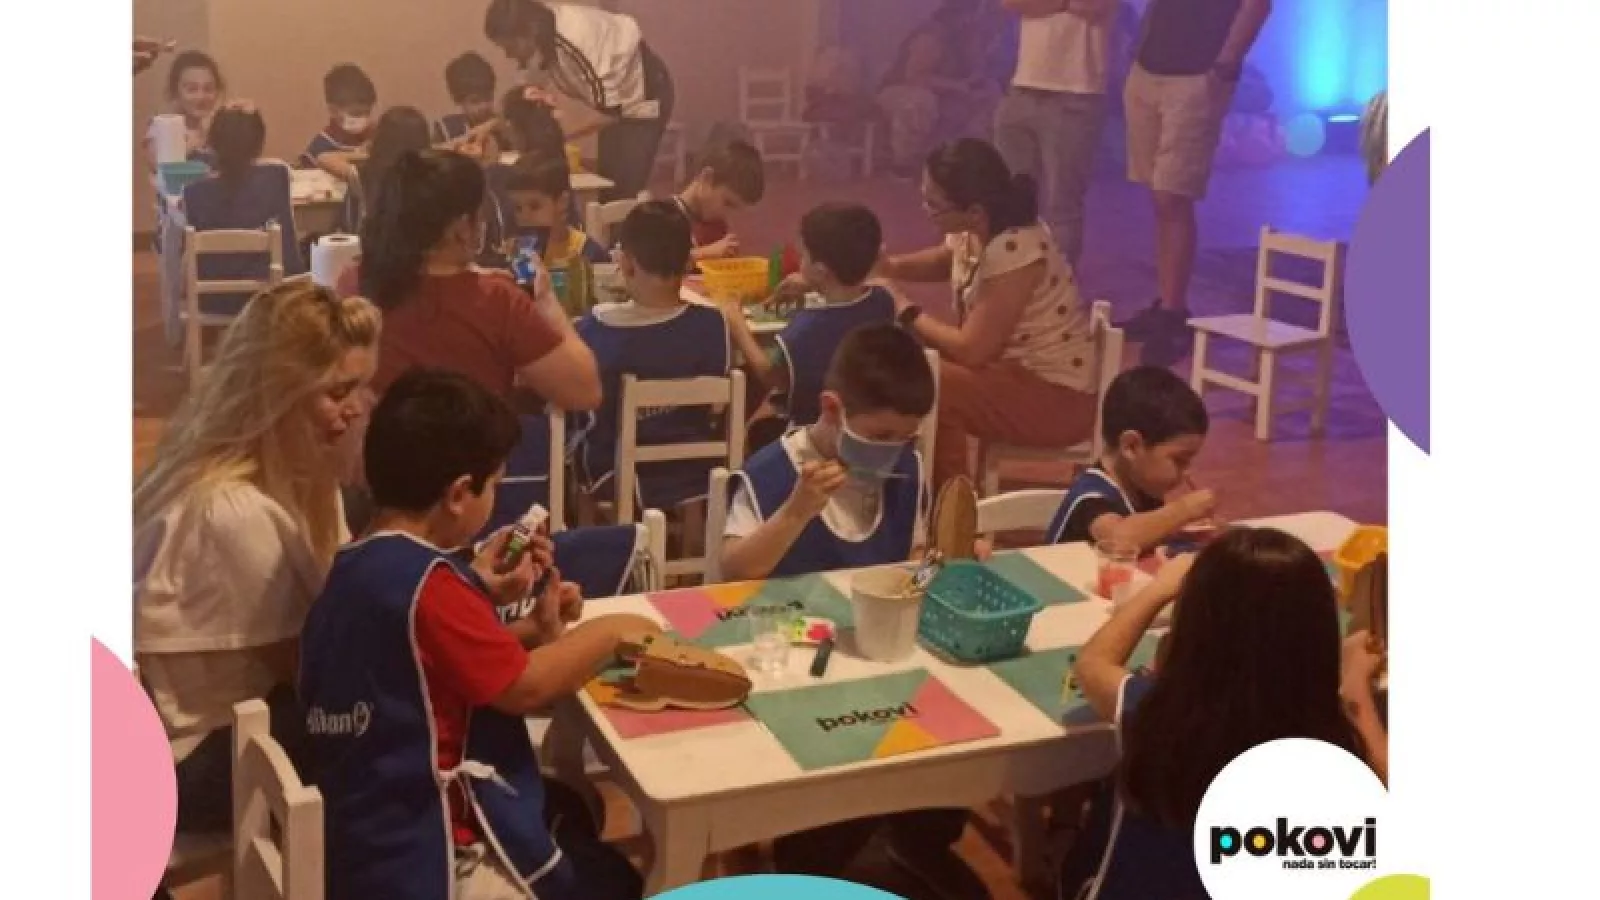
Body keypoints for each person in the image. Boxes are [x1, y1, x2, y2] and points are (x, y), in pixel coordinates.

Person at [299, 367, 658, 900]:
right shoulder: (430, 585)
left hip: (362, 826)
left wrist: (532, 626)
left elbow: (432, 667)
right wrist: (615, 631)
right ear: (459, 493)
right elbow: (525, 687)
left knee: (571, 814)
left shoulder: (358, 562)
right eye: (494, 485)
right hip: (423, 853)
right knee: (613, 880)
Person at [719, 326, 987, 900]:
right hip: (790, 659)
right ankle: (827, 852)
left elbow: (910, 570)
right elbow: (733, 573)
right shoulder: (772, 473)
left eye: (906, 437)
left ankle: (901, 841)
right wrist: (796, 511)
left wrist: (946, 562)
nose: (894, 449)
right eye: (881, 435)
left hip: (878, 661)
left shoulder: (905, 470)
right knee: (834, 795)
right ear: (832, 408)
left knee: (952, 745)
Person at [135, 282, 380, 897]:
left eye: (360, 387)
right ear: (278, 395)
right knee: (379, 724)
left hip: (219, 722)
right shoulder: (231, 511)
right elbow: (316, 669)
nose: (356, 409)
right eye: (337, 392)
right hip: (180, 759)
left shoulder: (294, 473)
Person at [1064, 529, 1387, 899]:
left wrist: (1159, 588)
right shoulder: (1332, 748)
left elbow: (1092, 664)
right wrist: (1356, 689)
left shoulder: (1156, 714)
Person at [879, 138, 1098, 490]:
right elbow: (947, 259)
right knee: (915, 364)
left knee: (934, 383)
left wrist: (904, 308)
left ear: (975, 211)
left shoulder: (1015, 248)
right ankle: (936, 492)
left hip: (1054, 397)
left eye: (934, 205)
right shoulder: (976, 229)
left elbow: (972, 350)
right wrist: (889, 267)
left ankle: (952, 504)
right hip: (1012, 375)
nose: (925, 209)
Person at [352, 148, 600, 411]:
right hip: (475, 436)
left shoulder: (358, 282)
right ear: (461, 227)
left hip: (387, 436)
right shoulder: (499, 301)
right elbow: (584, 392)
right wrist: (547, 302)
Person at [1116, 0, 1273, 366]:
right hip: (1149, 66)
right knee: (1158, 194)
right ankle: (1166, 303)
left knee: (1172, 194)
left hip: (1197, 73)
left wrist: (1225, 64)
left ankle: (1173, 312)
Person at [573, 201, 730, 510]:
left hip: (615, 471)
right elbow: (715, 407)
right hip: (695, 468)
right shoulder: (713, 325)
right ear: (688, 262)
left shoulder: (596, 329)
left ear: (627, 264)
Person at [722, 203, 896, 426]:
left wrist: (737, 324)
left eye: (804, 256)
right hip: (865, 420)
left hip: (813, 429)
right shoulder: (883, 300)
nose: (800, 262)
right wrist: (816, 285)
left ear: (821, 270)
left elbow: (771, 377)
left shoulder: (806, 328)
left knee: (755, 421)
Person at [484, 0, 676, 201]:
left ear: (530, 31)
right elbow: (524, 95)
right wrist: (491, 125)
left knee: (620, 189)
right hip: (612, 100)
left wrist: (556, 135)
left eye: (511, 46)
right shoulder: (539, 33)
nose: (508, 54)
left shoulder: (577, 43)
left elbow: (609, 113)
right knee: (608, 181)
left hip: (645, 93)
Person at [993, 0, 1114, 268]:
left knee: (1062, 205)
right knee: (1012, 196)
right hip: (1022, 88)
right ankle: (1016, 274)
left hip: (1076, 94)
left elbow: (1095, 6)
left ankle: (1058, 284)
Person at [1045, 366, 1213, 549]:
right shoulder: (1090, 496)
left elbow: (1148, 536)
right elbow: (1119, 540)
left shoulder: (1144, 487)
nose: (1187, 472)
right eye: (1179, 460)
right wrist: (1185, 509)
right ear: (1131, 446)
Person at [876, 0, 1004, 178]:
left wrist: (978, 85)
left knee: (990, 96)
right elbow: (914, 77)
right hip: (900, 91)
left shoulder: (971, 39)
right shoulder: (932, 36)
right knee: (920, 102)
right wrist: (957, 87)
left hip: (947, 95)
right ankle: (904, 166)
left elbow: (975, 74)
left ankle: (970, 161)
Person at [501, 153, 611, 268]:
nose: (525, 216)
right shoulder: (516, 251)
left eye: (534, 206)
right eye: (517, 208)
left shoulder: (587, 253)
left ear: (562, 201)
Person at [337, 105, 433, 232]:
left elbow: (324, 158)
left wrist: (368, 152)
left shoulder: (364, 176)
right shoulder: (435, 176)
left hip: (371, 242)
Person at [674, 139, 766, 264]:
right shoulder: (664, 216)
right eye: (727, 203)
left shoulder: (716, 227)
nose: (726, 214)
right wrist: (704, 253)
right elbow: (657, 264)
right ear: (707, 178)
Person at [145, 50, 225, 170]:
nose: (201, 97)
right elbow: (159, 167)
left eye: (208, 89)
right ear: (175, 91)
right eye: (192, 89)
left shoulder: (216, 128)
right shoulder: (161, 127)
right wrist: (192, 145)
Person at [301, 63, 378, 175]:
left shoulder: (375, 138)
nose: (363, 118)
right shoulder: (319, 148)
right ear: (333, 110)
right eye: (355, 113)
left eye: (367, 112)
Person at [437, 51, 499, 144]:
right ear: (458, 100)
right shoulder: (446, 130)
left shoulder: (503, 129)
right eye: (475, 101)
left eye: (488, 98)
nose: (484, 106)